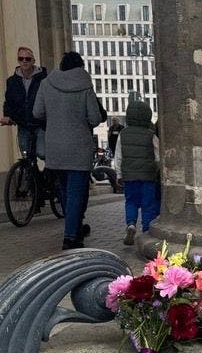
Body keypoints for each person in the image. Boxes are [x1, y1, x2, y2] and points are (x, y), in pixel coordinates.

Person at [32, 51, 103, 250]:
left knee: (64, 191)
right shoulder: (85, 85)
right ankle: (71, 236)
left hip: (55, 147)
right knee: (76, 193)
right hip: (79, 147)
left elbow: (37, 112)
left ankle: (74, 228)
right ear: (80, 66)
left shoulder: (46, 83)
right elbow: (95, 118)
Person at [113, 99, 160, 245]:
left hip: (130, 176)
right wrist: (156, 169)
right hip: (147, 176)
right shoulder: (151, 134)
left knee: (131, 201)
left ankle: (131, 223)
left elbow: (118, 156)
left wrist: (119, 174)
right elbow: (158, 156)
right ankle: (146, 231)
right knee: (148, 204)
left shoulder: (123, 134)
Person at [1, 46, 47, 159]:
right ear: (18, 60)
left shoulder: (44, 79)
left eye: (27, 59)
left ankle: (50, 175)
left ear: (33, 61)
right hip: (23, 124)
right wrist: (7, 116)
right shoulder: (12, 81)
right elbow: (9, 101)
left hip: (40, 124)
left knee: (43, 153)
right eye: (21, 59)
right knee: (26, 156)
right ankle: (28, 176)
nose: (24, 61)